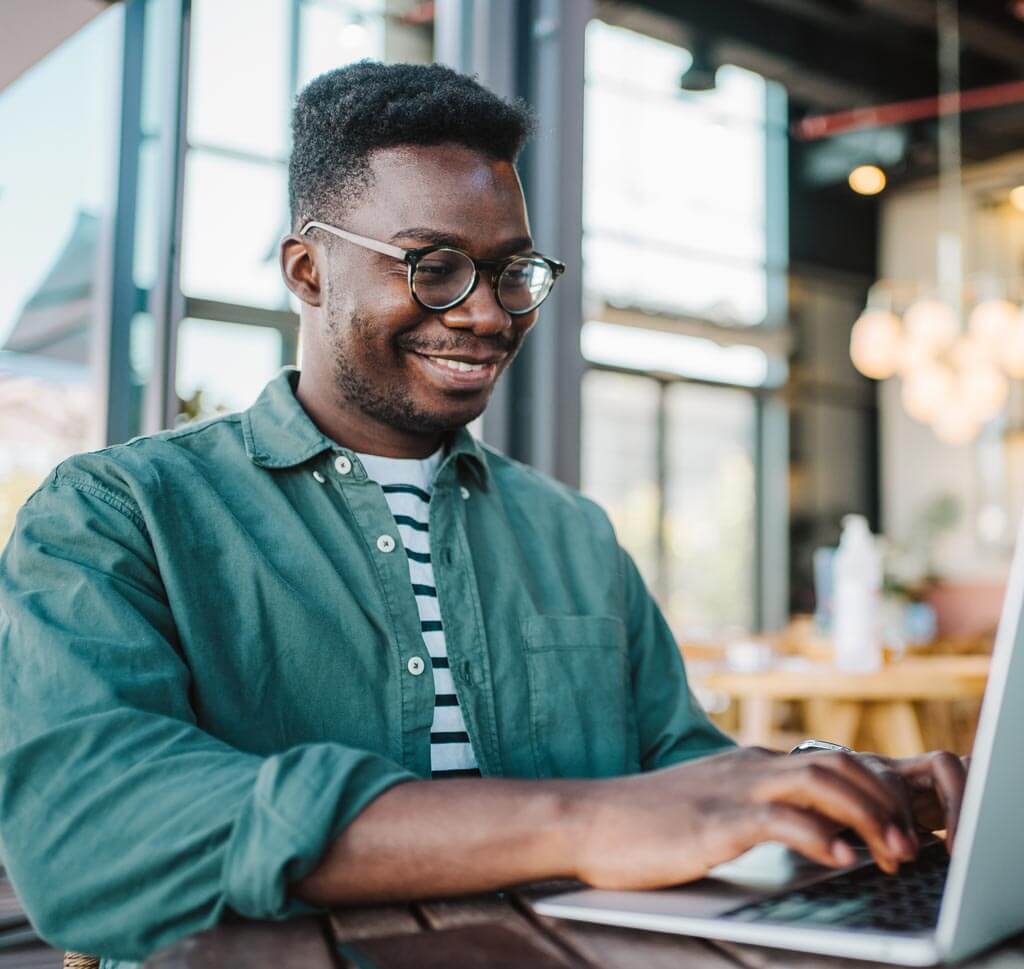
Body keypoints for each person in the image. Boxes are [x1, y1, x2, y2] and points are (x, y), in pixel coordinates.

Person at [0, 61, 966, 964]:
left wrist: (826, 784)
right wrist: (579, 821)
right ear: (306, 272)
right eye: (432, 266)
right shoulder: (120, 512)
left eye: (512, 271)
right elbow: (92, 828)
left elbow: (680, 764)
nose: (489, 313)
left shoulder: (570, 533)